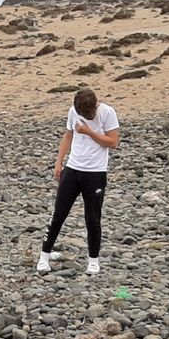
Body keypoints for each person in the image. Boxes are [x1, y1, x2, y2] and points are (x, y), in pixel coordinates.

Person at [39, 87, 120, 276]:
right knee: (58, 214)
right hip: (73, 169)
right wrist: (59, 162)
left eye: (87, 113)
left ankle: (93, 261)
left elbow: (113, 143)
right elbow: (68, 135)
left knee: (92, 218)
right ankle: (43, 256)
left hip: (96, 172)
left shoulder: (107, 113)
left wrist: (88, 131)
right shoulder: (73, 111)